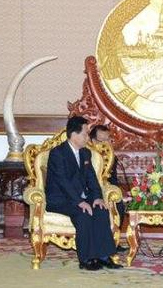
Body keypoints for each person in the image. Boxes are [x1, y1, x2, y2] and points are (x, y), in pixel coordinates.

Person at [45, 116, 123, 271]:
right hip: (60, 199)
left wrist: (97, 198)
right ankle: (86, 259)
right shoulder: (57, 153)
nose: (88, 137)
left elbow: (92, 179)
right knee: (83, 213)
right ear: (74, 135)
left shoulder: (85, 153)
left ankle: (104, 257)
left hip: (81, 197)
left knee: (100, 210)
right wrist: (79, 202)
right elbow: (63, 182)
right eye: (85, 134)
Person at [89, 125, 128, 253]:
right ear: (93, 141)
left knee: (119, 205)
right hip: (89, 190)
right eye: (102, 141)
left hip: (107, 191)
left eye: (108, 140)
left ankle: (113, 241)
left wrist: (117, 192)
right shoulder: (86, 154)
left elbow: (113, 180)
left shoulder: (111, 158)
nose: (105, 144)